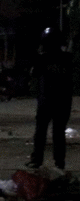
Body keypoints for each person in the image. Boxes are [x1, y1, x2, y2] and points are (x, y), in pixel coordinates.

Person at [26, 27, 74, 170]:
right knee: (58, 133)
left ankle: (37, 159)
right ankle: (59, 161)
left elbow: (34, 73)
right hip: (63, 100)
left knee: (41, 131)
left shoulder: (42, 58)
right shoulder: (67, 58)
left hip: (46, 99)